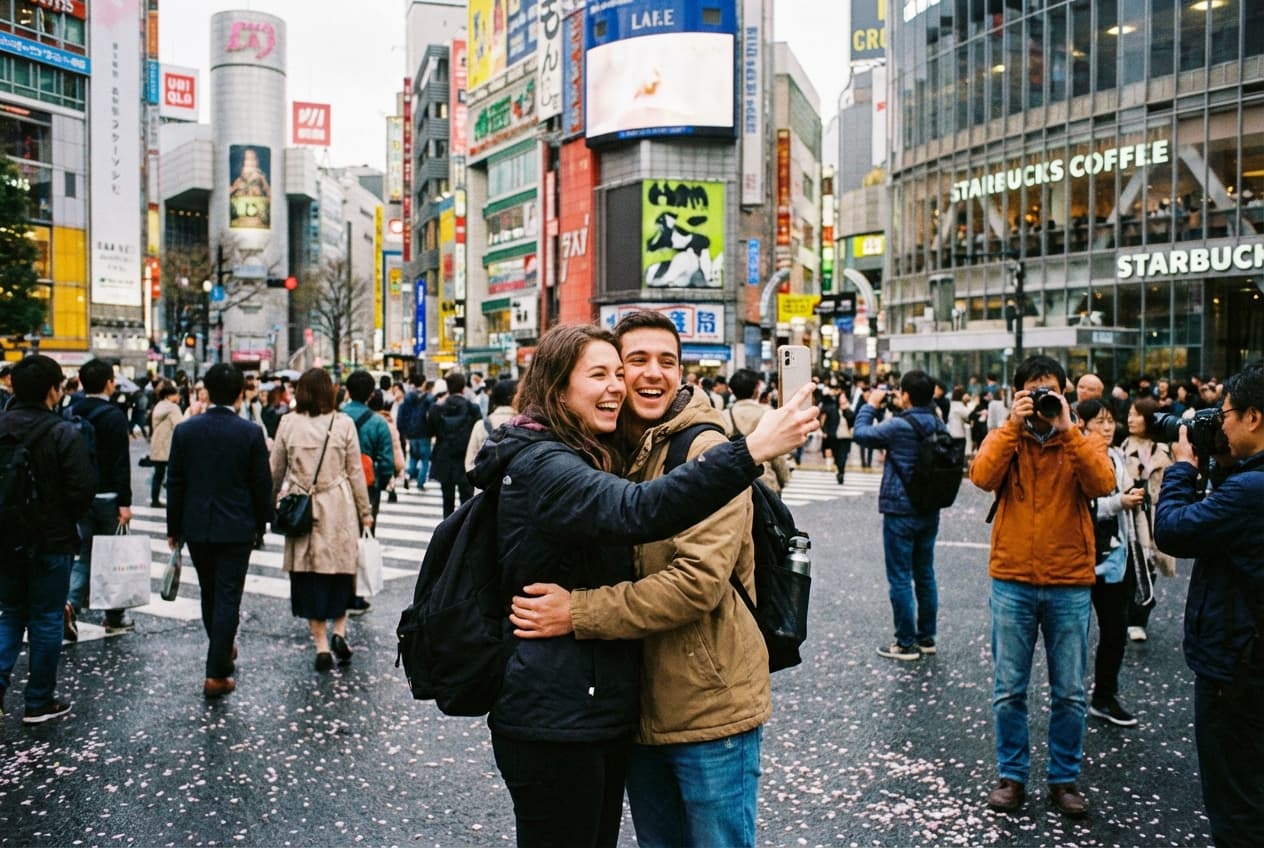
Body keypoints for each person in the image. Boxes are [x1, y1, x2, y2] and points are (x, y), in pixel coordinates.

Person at [466, 323, 819, 848]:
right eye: (629, 363)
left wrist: (577, 612)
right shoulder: (602, 451)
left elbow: (695, 583)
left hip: (707, 703)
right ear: (563, 385)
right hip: (632, 706)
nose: (651, 373)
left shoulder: (701, 446)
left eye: (668, 361)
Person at [970, 355, 1115, 817]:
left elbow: (1103, 483)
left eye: (1048, 391)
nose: (1041, 399)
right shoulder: (1007, 437)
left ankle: (1064, 780)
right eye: (1032, 392)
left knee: (1070, 691)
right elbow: (981, 476)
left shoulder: (1080, 440)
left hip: (1069, 579)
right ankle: (1011, 777)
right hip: (1012, 577)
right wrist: (1013, 426)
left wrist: (1068, 429)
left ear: (1065, 392)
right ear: (1017, 395)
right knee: (1009, 688)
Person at [1153, 362, 1264, 848]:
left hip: (1238, 671)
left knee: (1237, 805)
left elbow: (1175, 529)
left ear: (1255, 417)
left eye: (1227, 414)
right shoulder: (1247, 482)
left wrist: (1183, 468)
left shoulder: (1251, 491)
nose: (1222, 423)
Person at [165, 364, 273, 698]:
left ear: (207, 392)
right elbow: (261, 485)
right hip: (237, 525)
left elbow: (176, 483)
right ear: (241, 393)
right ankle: (216, 671)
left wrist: (174, 528)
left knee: (209, 593)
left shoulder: (186, 430)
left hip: (197, 525)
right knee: (228, 596)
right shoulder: (250, 433)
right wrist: (262, 524)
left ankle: (221, 648)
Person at [0, 355, 95, 724]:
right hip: (51, 540)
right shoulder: (63, 433)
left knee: (10, 613)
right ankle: (38, 701)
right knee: (45, 618)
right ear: (54, 391)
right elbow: (82, 488)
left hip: (5, 536)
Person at [270, 368, 373, 671]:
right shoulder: (343, 424)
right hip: (337, 504)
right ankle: (340, 630)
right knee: (341, 570)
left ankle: (321, 645)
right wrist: (365, 513)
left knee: (309, 576)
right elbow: (355, 472)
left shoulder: (288, 423)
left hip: (303, 504)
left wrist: (269, 503)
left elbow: (275, 469)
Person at [853, 371, 951, 661]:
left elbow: (861, 433)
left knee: (899, 576)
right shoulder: (938, 423)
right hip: (929, 507)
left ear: (906, 394)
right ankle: (927, 637)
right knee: (925, 573)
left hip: (900, 508)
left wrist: (870, 403)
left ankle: (905, 643)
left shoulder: (897, 426)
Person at [1076, 398, 1143, 727]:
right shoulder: (1076, 457)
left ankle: (1104, 694)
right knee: (1074, 633)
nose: (1107, 427)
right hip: (1079, 557)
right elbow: (1083, 507)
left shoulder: (1116, 455)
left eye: (1110, 421)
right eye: (1099, 421)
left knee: (1115, 629)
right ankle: (1071, 698)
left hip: (1115, 556)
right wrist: (1120, 501)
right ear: (1082, 424)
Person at [67, 358, 135, 634]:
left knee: (84, 554)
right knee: (113, 556)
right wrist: (125, 502)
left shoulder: (71, 411)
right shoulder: (113, 415)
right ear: (109, 382)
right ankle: (115, 616)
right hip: (108, 494)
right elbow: (121, 461)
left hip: (79, 495)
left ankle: (69, 604)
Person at [1119, 396, 1175, 642]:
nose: (1131, 419)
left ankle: (1140, 617)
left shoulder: (1163, 450)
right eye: (1130, 414)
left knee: (1149, 566)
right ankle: (1130, 617)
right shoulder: (1122, 448)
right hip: (1129, 517)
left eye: (1137, 414)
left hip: (1154, 516)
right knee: (1130, 566)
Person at [725, 368, 792, 493]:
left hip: (735, 483)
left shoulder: (724, 416)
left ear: (732, 390)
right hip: (765, 481)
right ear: (756, 390)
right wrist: (783, 478)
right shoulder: (767, 414)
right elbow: (777, 453)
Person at [428, 371, 482, 517]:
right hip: (465, 459)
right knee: (466, 502)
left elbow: (430, 431)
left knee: (447, 501)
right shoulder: (472, 409)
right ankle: (464, 535)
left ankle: (447, 534)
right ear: (464, 387)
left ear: (448, 388)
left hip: (444, 458)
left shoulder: (437, 409)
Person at [465, 378, 517, 472]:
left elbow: (470, 462)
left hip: (486, 484)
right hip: (516, 484)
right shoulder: (525, 424)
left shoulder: (481, 425)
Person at [147, 382, 184, 508]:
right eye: (176, 394)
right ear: (169, 396)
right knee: (174, 475)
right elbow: (180, 426)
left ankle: (155, 500)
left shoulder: (158, 406)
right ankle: (174, 500)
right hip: (169, 446)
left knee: (158, 474)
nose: (178, 397)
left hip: (157, 445)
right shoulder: (173, 408)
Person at [398, 375, 435, 491]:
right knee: (425, 459)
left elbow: (401, 415)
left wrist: (403, 432)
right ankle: (420, 483)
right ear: (423, 383)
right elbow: (433, 416)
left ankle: (408, 476)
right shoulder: (429, 398)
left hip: (411, 433)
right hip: (424, 432)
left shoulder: (407, 397)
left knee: (413, 457)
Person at [817, 381, 854, 486]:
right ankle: (840, 471)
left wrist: (845, 410)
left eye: (844, 398)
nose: (843, 400)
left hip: (846, 437)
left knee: (844, 456)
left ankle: (841, 472)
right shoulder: (833, 409)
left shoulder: (848, 410)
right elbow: (827, 422)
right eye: (841, 398)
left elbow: (852, 419)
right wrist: (825, 432)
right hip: (836, 437)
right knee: (838, 457)